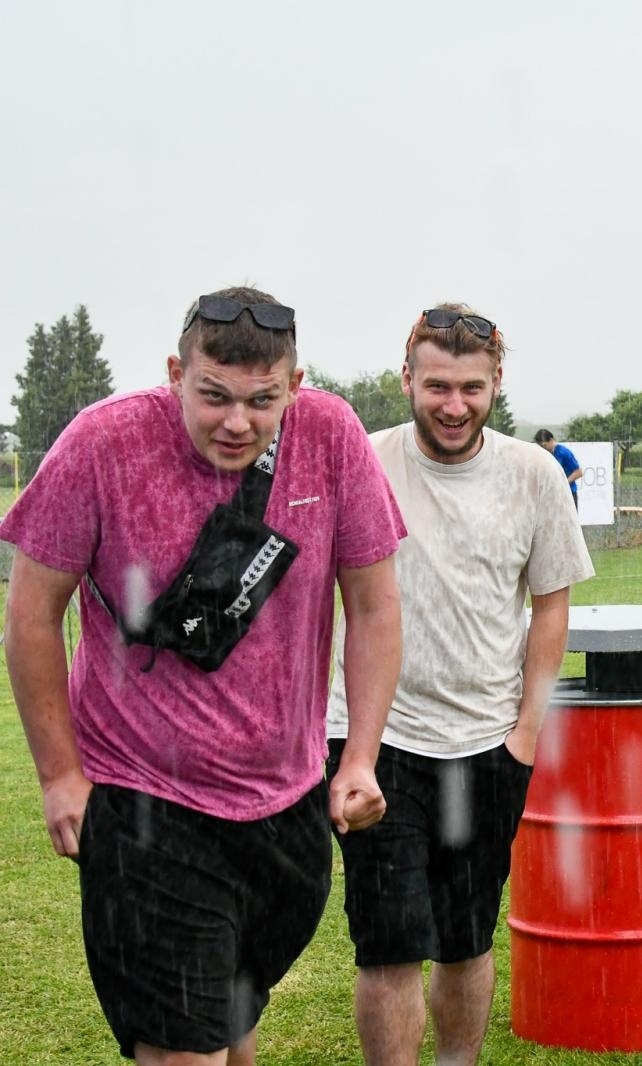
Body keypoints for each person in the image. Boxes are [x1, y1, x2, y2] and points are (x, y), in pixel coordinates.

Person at [1, 286, 404, 1065]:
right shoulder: (102, 443)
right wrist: (59, 775)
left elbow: (377, 607)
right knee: (187, 1050)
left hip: (286, 806)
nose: (237, 423)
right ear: (175, 373)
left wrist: (357, 757)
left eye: (262, 401)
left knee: (231, 1031)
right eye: (213, 396)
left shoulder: (332, 434)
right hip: (146, 799)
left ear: (295, 384)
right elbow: (29, 615)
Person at [325, 304, 594, 1066]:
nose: (453, 405)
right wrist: (342, 742)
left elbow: (551, 605)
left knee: (466, 937)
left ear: (497, 383)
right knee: (386, 946)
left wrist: (526, 735)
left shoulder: (534, 475)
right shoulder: (365, 463)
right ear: (406, 378)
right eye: (437, 385)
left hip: (487, 743)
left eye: (471, 388)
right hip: (376, 742)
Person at [534, 428, 582, 507]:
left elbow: (578, 472)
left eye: (544, 445)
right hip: (552, 495)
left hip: (568, 494)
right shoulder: (545, 454)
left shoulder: (563, 452)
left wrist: (563, 482)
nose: (543, 448)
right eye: (541, 446)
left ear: (551, 440)